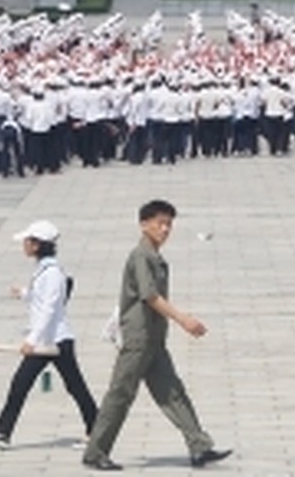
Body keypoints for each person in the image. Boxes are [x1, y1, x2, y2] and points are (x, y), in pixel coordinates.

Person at [82, 200, 230, 471]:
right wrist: (183, 318)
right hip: (139, 338)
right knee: (121, 393)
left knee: (172, 391)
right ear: (143, 224)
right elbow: (149, 296)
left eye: (169, 224)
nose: (165, 229)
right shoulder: (142, 256)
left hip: (154, 337)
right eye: (159, 223)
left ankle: (200, 446)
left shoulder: (154, 256)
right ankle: (95, 452)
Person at [0, 219, 97, 449]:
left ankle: (3, 431)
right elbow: (41, 298)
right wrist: (24, 293)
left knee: (61, 385)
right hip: (48, 339)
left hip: (54, 341)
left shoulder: (52, 273)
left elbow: (50, 309)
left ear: (37, 245)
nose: (24, 245)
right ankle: (96, 429)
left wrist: (31, 341)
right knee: (65, 385)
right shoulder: (45, 270)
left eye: (27, 241)